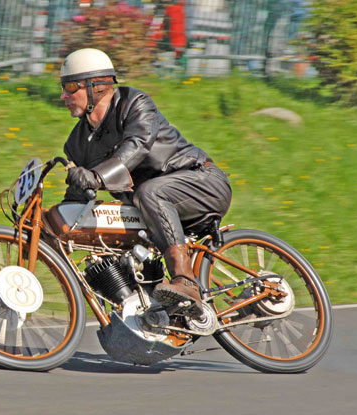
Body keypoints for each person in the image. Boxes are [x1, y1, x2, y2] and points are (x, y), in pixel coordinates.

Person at [60, 48, 232, 312]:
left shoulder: (134, 103)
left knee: (149, 192)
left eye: (71, 87)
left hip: (202, 182)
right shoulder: (77, 143)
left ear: (98, 85)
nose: (63, 96)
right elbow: (80, 196)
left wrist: (96, 176)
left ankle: (185, 280)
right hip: (149, 206)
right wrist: (51, 224)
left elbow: (137, 145)